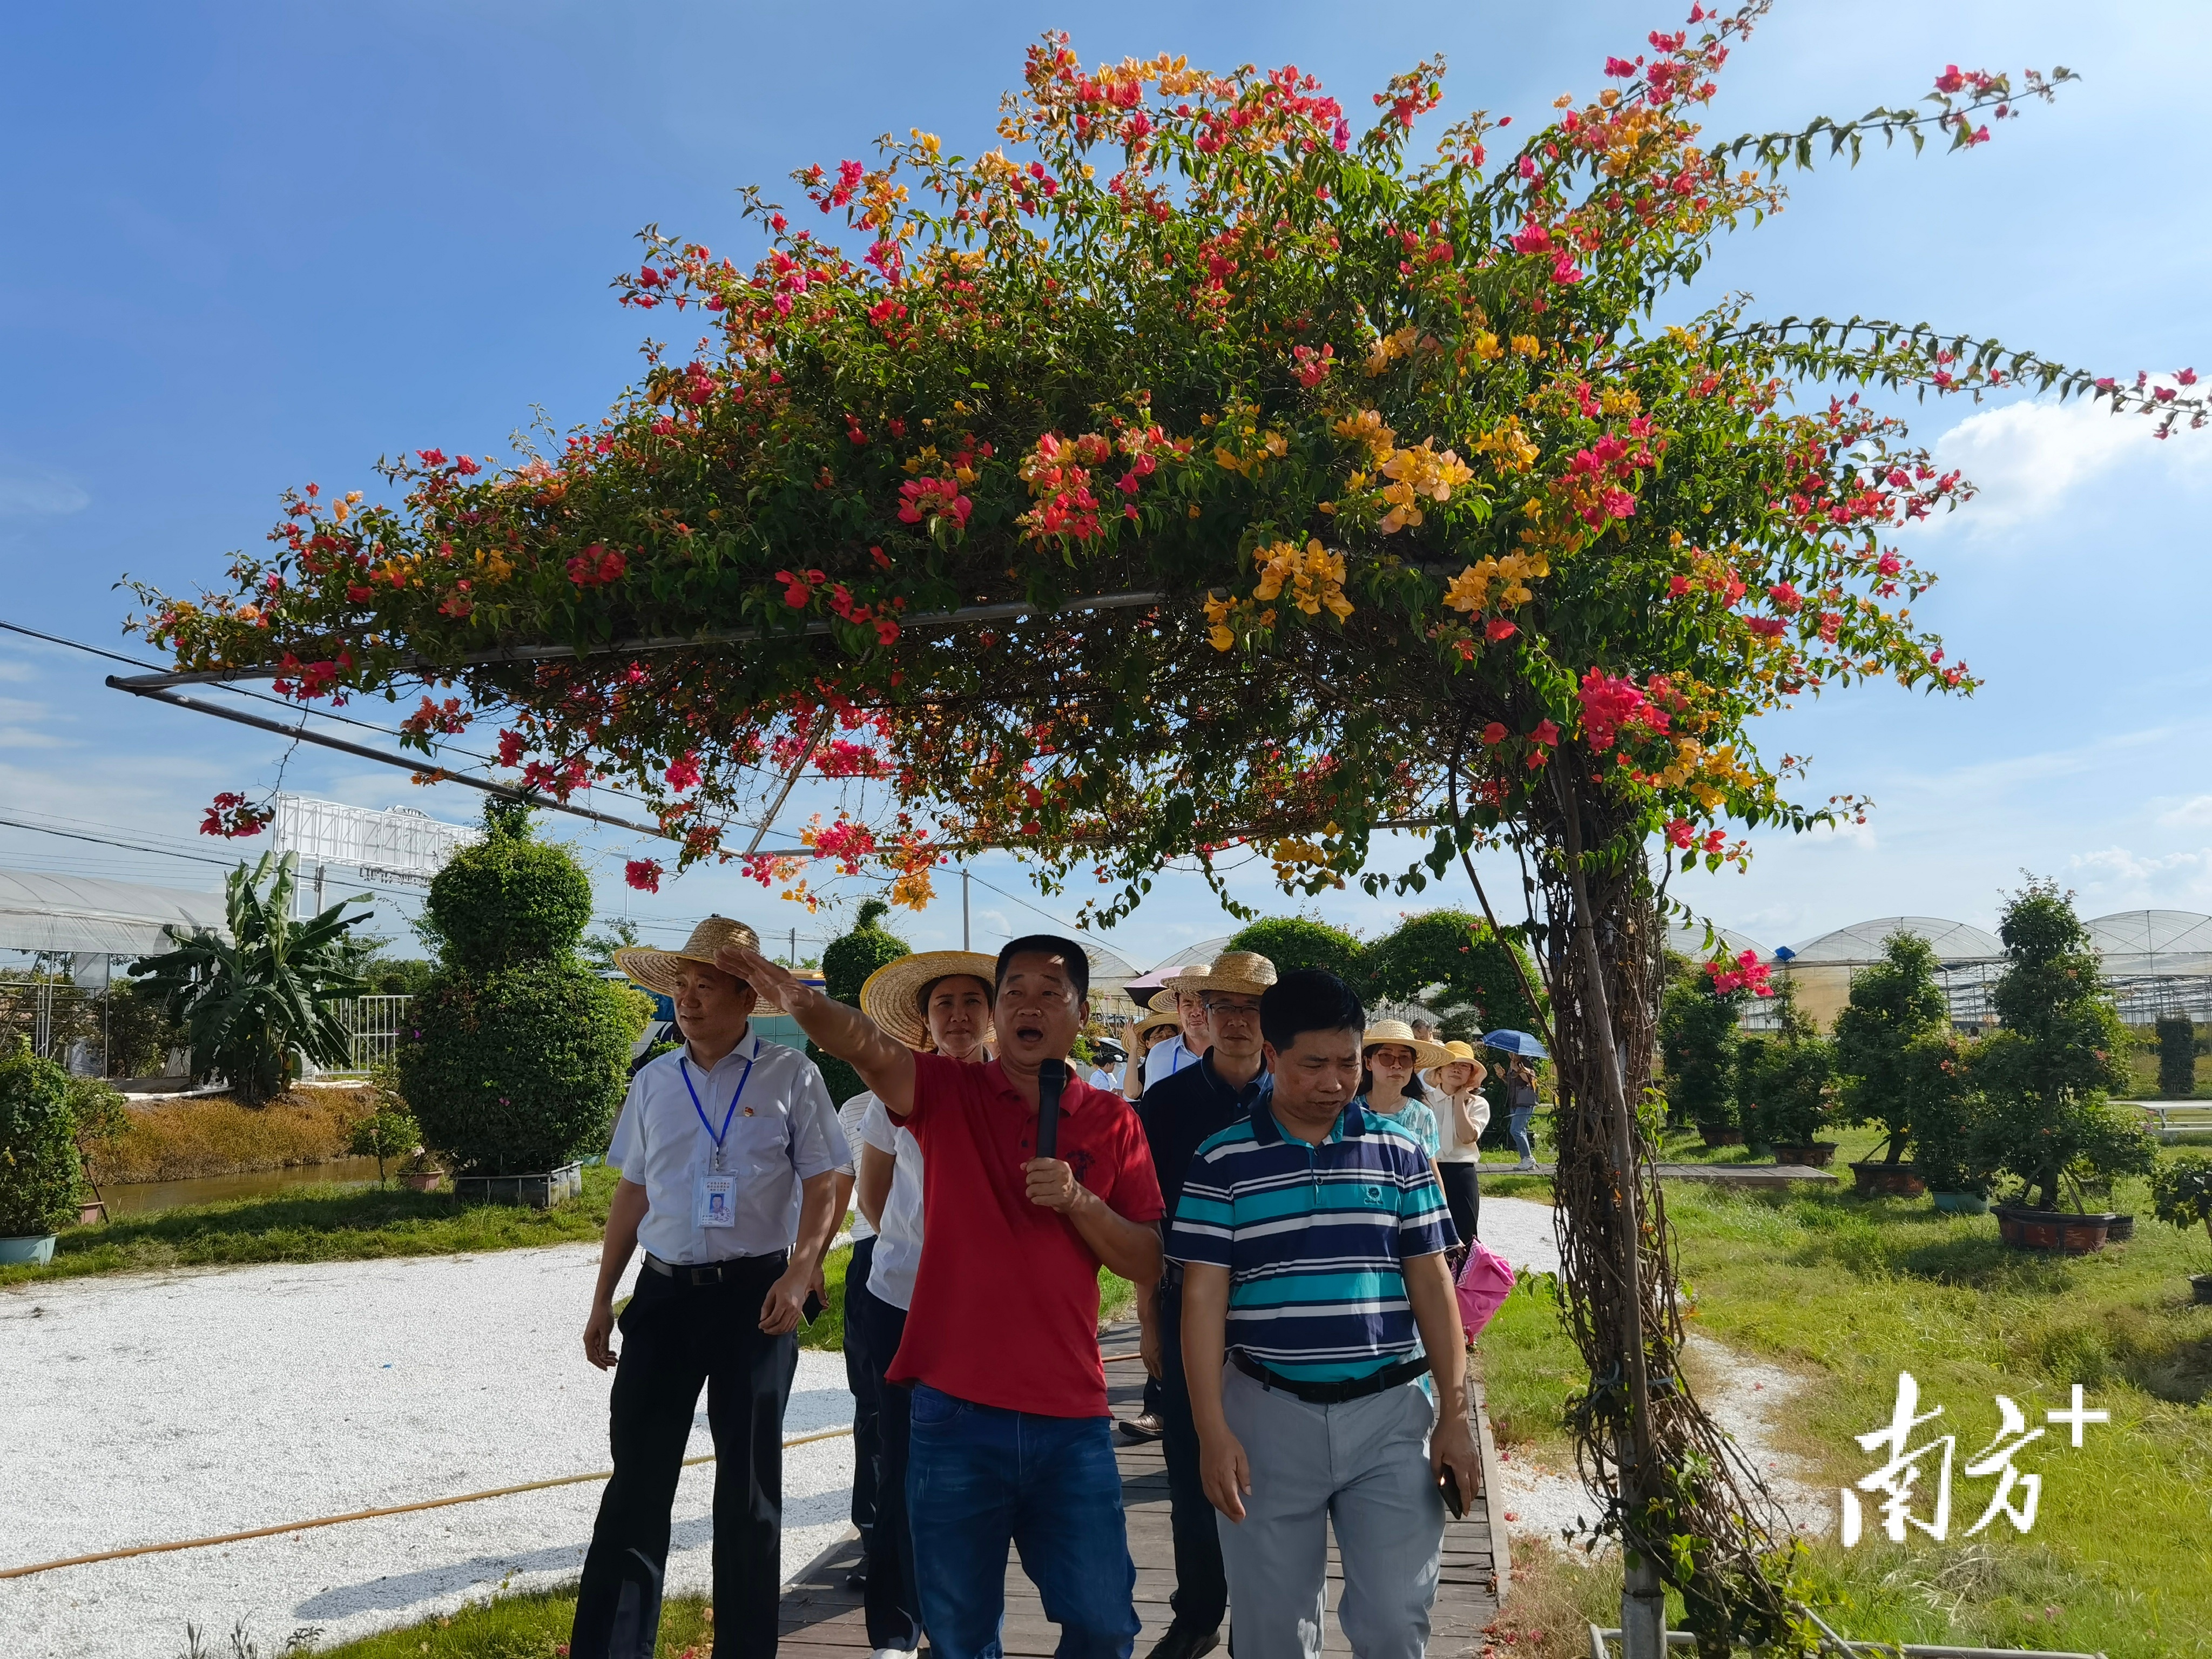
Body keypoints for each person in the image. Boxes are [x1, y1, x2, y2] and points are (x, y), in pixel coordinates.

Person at [717, 932, 1166, 1659]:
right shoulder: (945, 1093)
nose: (1029, 1004)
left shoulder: (1114, 1122)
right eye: (1014, 990)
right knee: (959, 1636)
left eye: (1050, 993)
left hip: (1072, 1420)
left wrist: (1080, 1201)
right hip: (954, 1415)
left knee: (1106, 1622)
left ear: (1082, 1014)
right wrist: (795, 998)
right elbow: (863, 1045)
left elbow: (1147, 1258)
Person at [1171, 970, 1481, 1659]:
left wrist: (1455, 1416)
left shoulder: (1399, 1153)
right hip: (1265, 1417)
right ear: (1272, 1056)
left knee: (1398, 1624)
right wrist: (1210, 1429)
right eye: (1312, 1064)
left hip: (1393, 1415)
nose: (1334, 1081)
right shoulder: (1221, 1160)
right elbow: (1202, 1301)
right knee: (1272, 1634)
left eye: (1347, 1062)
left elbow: (1433, 1287)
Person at [575, 917, 848, 1659]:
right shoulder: (655, 1081)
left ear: (743, 994)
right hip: (663, 1299)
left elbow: (827, 1180)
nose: (688, 1002)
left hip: (756, 1296)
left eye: (705, 987)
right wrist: (605, 1296)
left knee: (750, 1490)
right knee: (637, 1481)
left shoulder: (791, 1076)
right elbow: (633, 1191)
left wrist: (803, 1266)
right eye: (681, 988)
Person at [849, 949, 1001, 1659]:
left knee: (980, 1469)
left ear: (993, 1015)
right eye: (945, 1004)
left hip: (993, 1313)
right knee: (904, 1461)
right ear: (926, 1020)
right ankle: (895, 1627)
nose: (960, 1015)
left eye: (973, 1001)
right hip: (904, 1300)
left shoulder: (1019, 1091)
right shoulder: (897, 1093)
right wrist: (922, 1251)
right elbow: (873, 1195)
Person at [1132, 952, 1278, 1659]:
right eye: (1224, 1009)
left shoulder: (1302, 1097)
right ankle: (1198, 1610)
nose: (1239, 1023)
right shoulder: (1165, 1105)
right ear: (1202, 1017)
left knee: (1278, 1466)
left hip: (1278, 1315)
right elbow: (1146, 1218)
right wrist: (1147, 1318)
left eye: (1253, 1010)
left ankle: (1264, 1613)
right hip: (1187, 1301)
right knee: (1192, 1464)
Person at [836, 1085, 881, 1591]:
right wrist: (807, 1263)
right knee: (871, 1405)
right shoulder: (855, 1109)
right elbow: (839, 1186)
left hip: (947, 1256)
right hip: (872, 1254)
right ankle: (875, 1537)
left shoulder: (956, 1094)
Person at [1425, 1042, 1489, 1267]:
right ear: (1439, 1070)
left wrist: (1460, 1101)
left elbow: (1467, 1136)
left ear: (1471, 1074)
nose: (1456, 1069)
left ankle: (1464, 1291)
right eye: (1451, 1064)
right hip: (1427, 1171)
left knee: (1464, 1235)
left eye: (1464, 1066)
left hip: (1461, 1172)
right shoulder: (1423, 1101)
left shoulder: (1478, 1104)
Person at [1357, 1019, 1451, 1160]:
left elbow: (1429, 1171)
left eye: (1405, 1058)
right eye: (1386, 1057)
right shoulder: (1348, 1109)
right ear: (1368, 1063)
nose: (1397, 1065)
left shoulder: (1422, 1115)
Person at [1129, 970, 1211, 1099]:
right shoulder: (1159, 1054)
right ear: (1178, 1009)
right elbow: (1151, 1110)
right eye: (1187, 1004)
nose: (1195, 1012)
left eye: (1203, 1004)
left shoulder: (1234, 1052)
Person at [1505, 1057, 1541, 1171]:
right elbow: (1511, 1083)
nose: (1511, 1054)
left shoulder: (1526, 1062)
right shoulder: (1511, 1063)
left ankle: (1528, 1158)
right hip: (1515, 1102)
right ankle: (1526, 1160)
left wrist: (1519, 1070)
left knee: (1516, 1130)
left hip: (1525, 1102)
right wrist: (1502, 1076)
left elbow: (1530, 1080)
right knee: (1521, 1130)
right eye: (1509, 1053)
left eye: (1513, 1052)